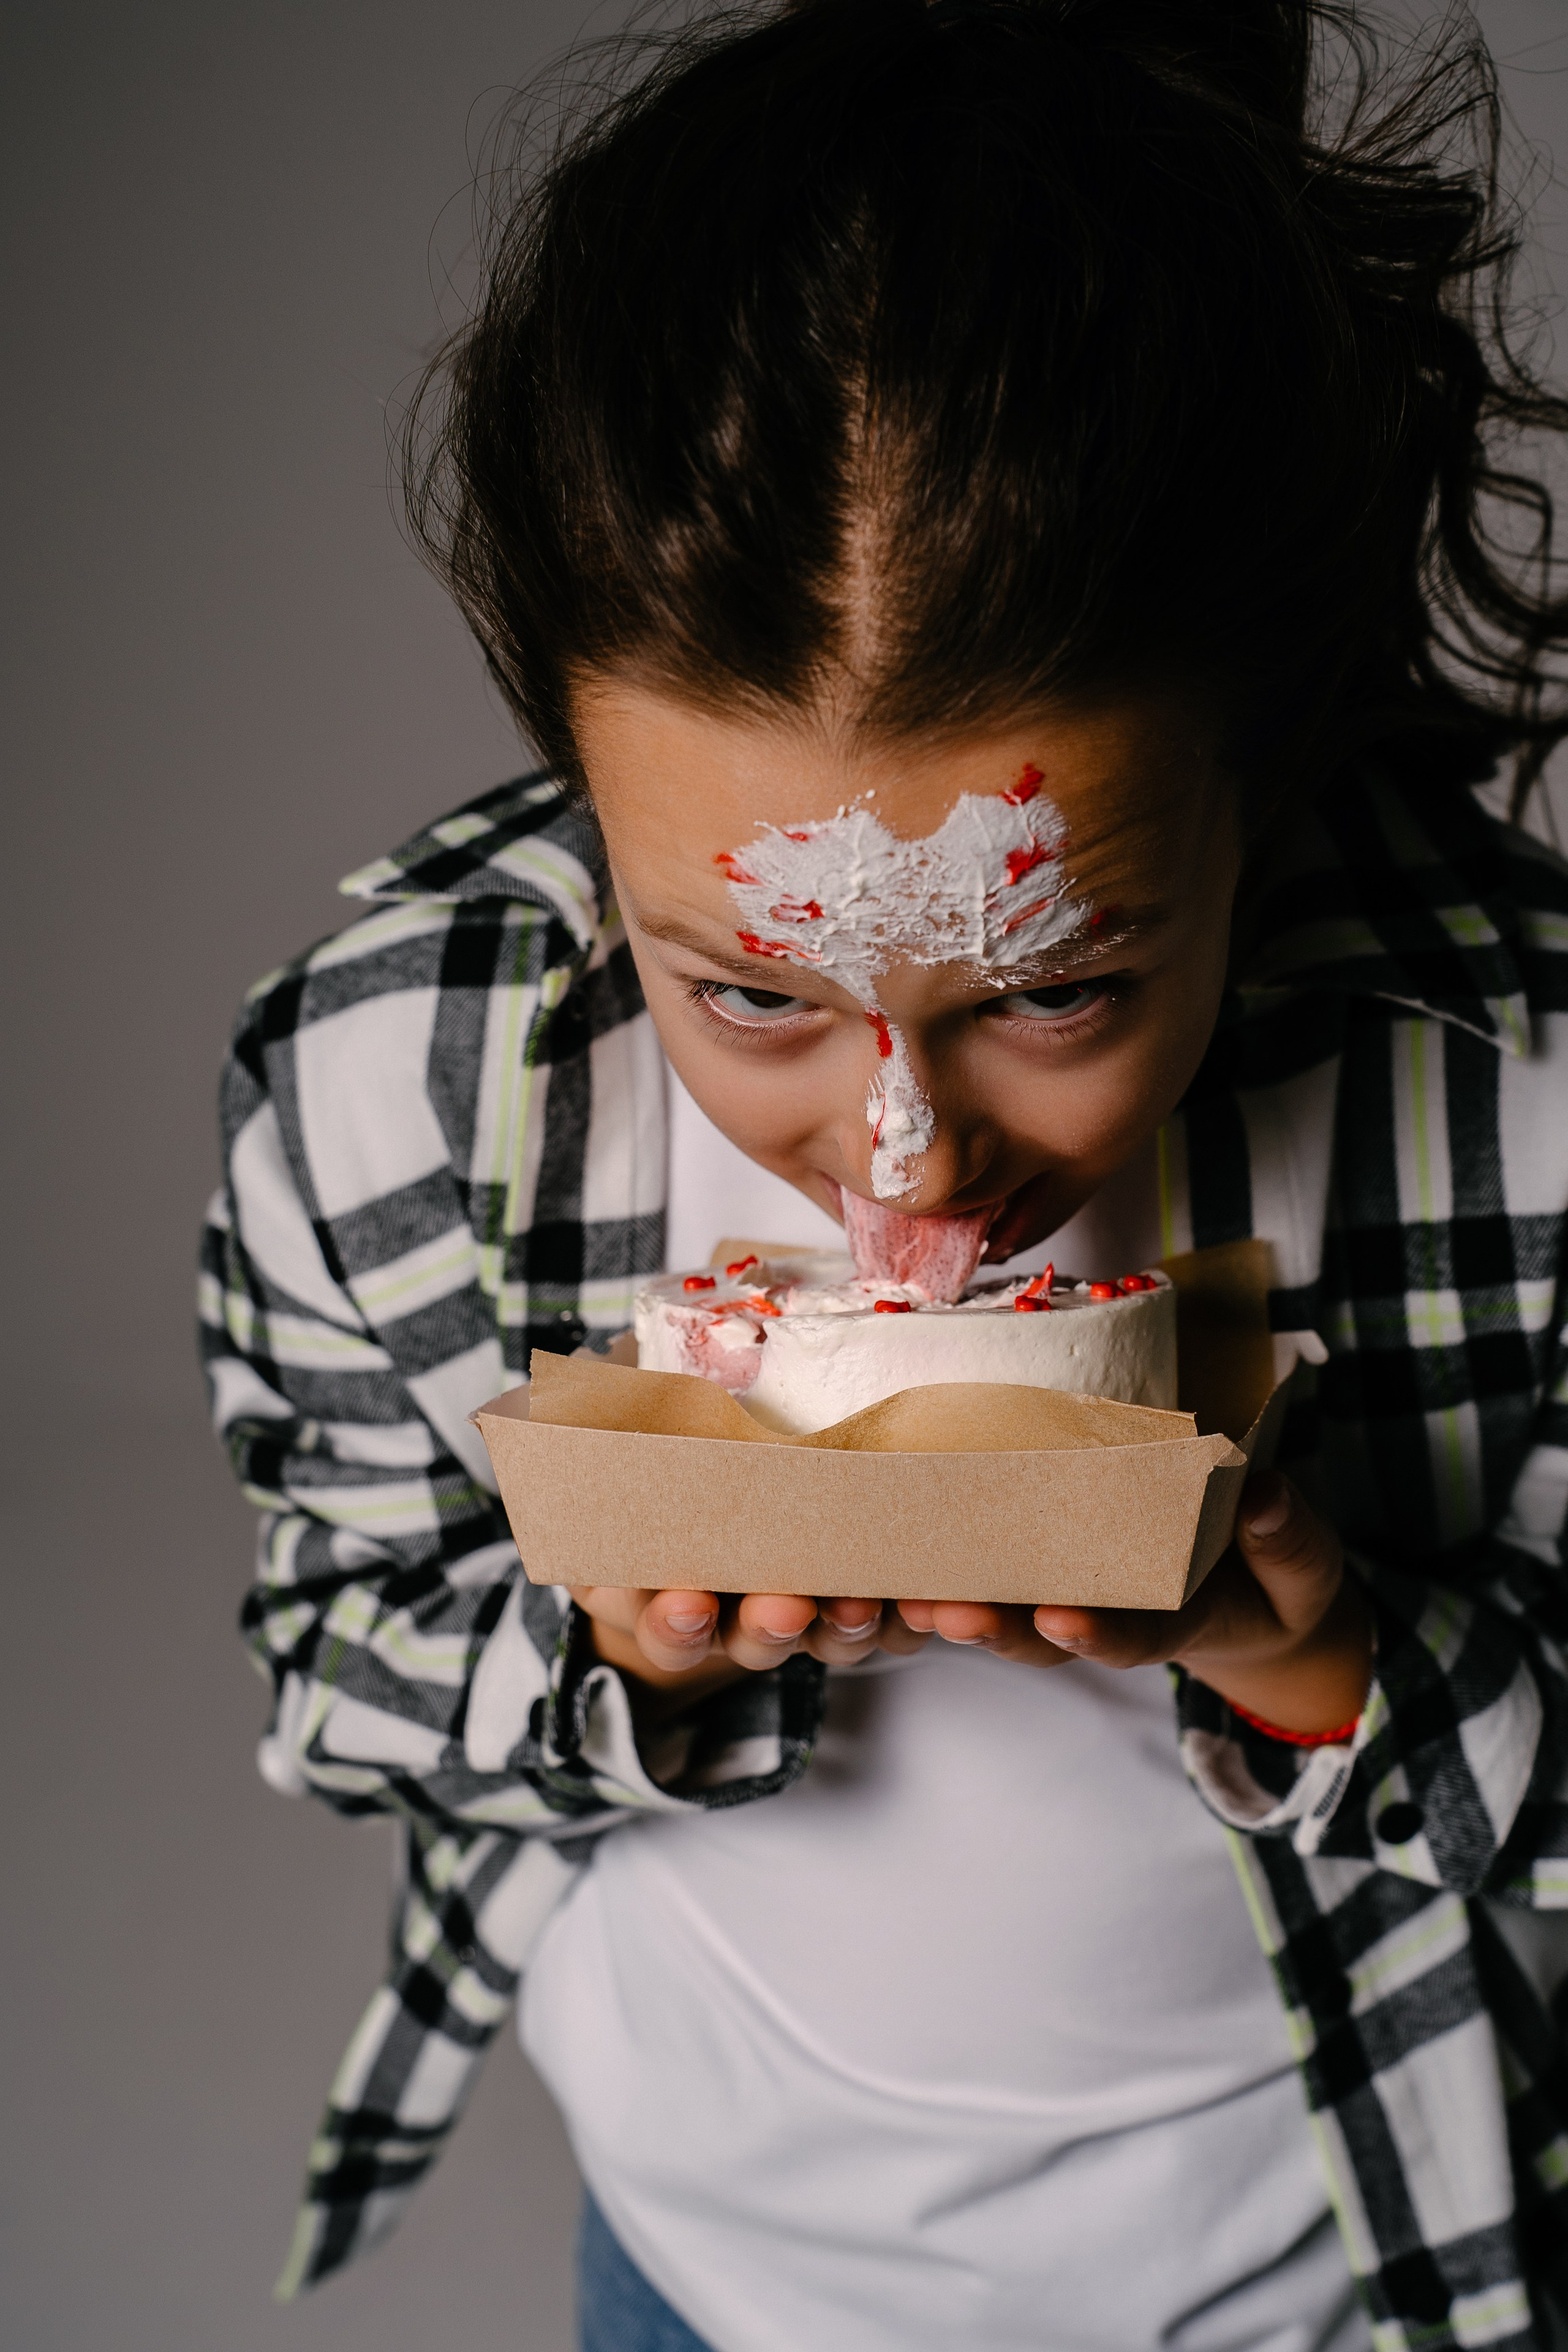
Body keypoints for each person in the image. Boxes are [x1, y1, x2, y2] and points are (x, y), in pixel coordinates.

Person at [201, 2, 1568, 2345]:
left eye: (1055, 991)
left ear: (1259, 784)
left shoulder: (1523, 1096)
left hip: (1345, 2279)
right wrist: (612, 1658)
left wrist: (1316, 1651)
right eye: (752, 996)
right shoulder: (386, 1083)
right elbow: (328, 1676)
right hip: (706, 2266)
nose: (907, 1165)